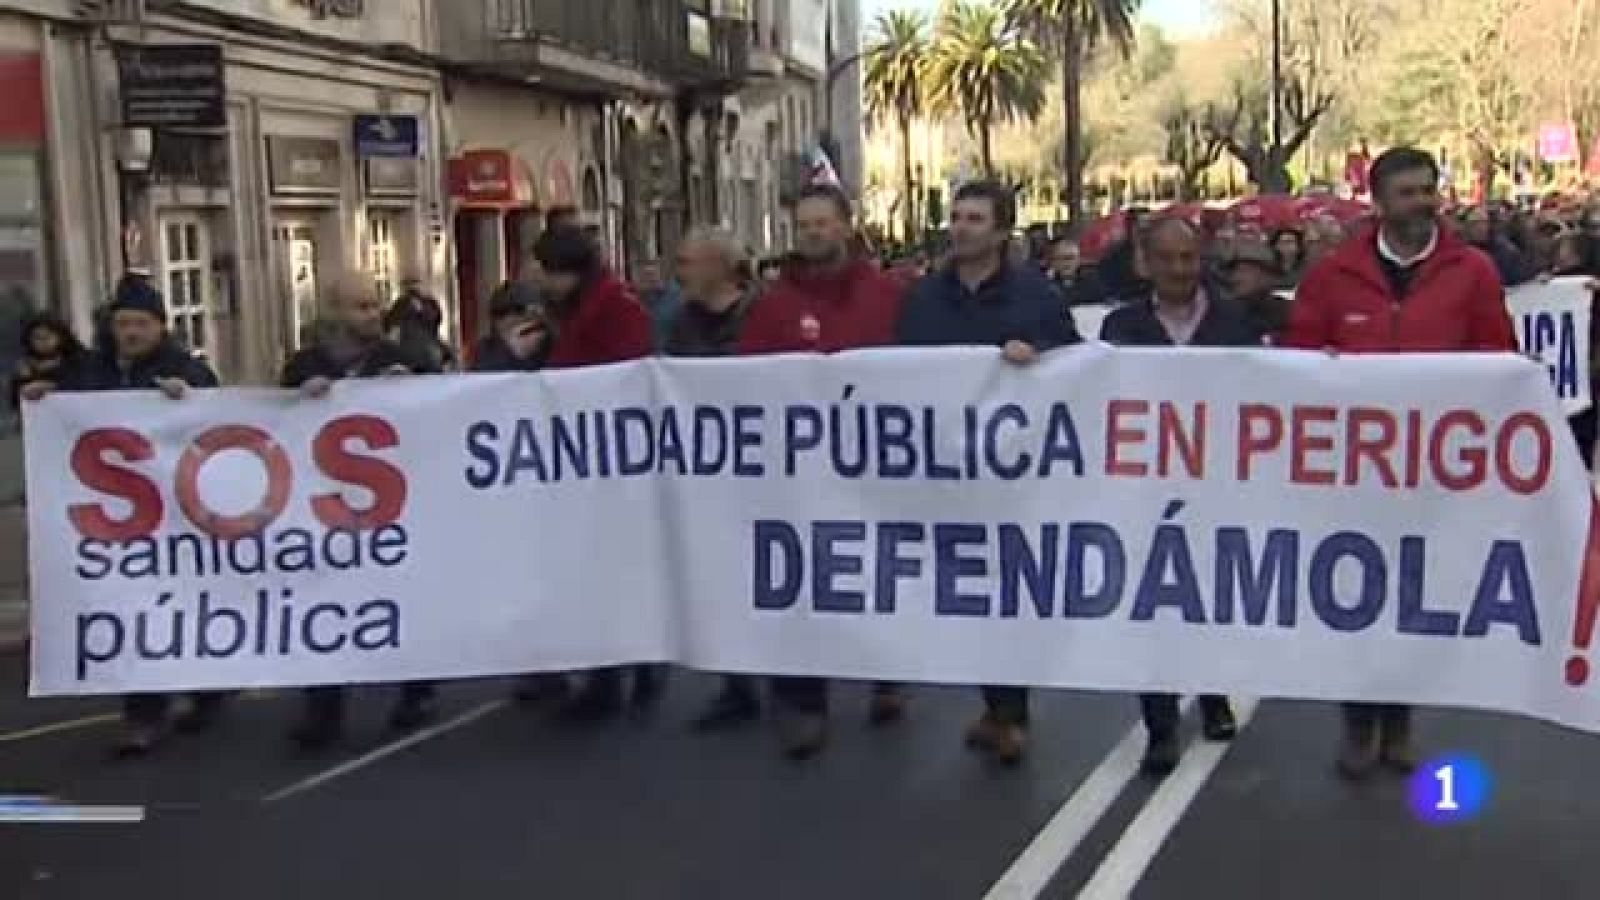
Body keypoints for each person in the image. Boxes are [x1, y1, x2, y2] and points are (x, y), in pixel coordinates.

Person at [1284, 146, 1517, 780]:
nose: (1423, 202)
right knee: (1357, 602)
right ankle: (1358, 722)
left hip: (1436, 474)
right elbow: (1298, 360)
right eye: (1409, 192)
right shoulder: (1333, 276)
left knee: (1417, 600)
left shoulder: (1473, 271)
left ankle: (1401, 721)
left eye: (1428, 190)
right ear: (1379, 202)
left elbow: (1498, 358)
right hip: (1354, 477)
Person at [897, 181, 1082, 765]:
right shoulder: (926, 297)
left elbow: (1076, 364)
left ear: (1002, 231)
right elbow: (898, 368)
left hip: (1015, 476)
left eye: (975, 218)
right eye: (955, 217)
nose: (961, 227)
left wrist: (1041, 354)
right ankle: (995, 705)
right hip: (947, 472)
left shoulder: (1036, 296)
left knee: (1008, 589)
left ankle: (1010, 711)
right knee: (967, 591)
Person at [737, 183, 909, 760]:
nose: (812, 233)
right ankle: (804, 704)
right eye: (803, 224)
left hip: (875, 467)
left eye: (822, 223)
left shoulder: (887, 295)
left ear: (844, 225)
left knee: (876, 571)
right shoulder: (772, 305)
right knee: (803, 583)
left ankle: (887, 669)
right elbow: (747, 381)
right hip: (801, 472)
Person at [25, 278, 227, 757]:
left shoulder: (186, 369)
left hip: (177, 517)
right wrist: (43, 396)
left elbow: (218, 411)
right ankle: (143, 715)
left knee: (180, 610)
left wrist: (190, 397)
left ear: (160, 326)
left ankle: (208, 690)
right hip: (121, 521)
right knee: (134, 611)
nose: (130, 332)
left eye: (140, 323)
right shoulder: (93, 369)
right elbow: (68, 403)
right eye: (122, 324)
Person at [1098, 216, 1247, 776]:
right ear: (1146, 264)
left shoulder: (1233, 322)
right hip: (1145, 490)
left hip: (1218, 485)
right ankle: (1160, 724)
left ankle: (1212, 694)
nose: (1179, 270)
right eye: (1167, 259)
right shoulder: (1122, 326)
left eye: (1188, 258)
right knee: (1151, 604)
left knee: (1210, 594)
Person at [281, 271, 440, 752]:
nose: (373, 314)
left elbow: (443, 409)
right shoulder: (302, 364)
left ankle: (417, 690)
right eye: (361, 306)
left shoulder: (402, 358)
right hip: (328, 506)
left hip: (391, 508)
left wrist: (411, 389)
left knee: (398, 599)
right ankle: (323, 709)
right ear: (332, 312)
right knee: (326, 604)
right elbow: (276, 419)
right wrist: (297, 399)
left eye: (375, 304)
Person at [535, 225, 661, 722]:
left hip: (610, 458)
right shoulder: (571, 311)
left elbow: (627, 373)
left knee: (606, 570)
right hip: (581, 457)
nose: (541, 282)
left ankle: (612, 677)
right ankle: (628, 667)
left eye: (548, 272)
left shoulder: (615, 308)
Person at [662, 229, 765, 731]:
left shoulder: (760, 315)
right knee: (722, 574)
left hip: (766, 465)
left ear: (719, 266)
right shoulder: (681, 321)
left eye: (687, 261)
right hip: (709, 467)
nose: (679, 271)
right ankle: (737, 681)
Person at [9, 312, 87, 411]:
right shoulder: (25, 366)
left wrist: (53, 386)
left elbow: (87, 386)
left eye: (49, 335)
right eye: (37, 337)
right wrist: (24, 380)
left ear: (61, 335)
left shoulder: (79, 358)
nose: (44, 341)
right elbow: (15, 403)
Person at [1222, 240, 1291, 344]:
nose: (1235, 278)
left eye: (1244, 271)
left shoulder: (1289, 313)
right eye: (1232, 272)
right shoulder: (1221, 313)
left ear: (1268, 276)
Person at [473, 281, 549, 374]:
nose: (509, 319)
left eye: (519, 311)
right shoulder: (485, 348)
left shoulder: (549, 345)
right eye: (500, 313)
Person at [383, 274, 451, 370]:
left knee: (434, 357)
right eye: (408, 284)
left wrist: (420, 309)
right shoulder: (400, 304)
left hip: (427, 341)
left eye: (414, 282)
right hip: (407, 342)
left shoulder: (429, 302)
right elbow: (391, 323)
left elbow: (435, 319)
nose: (412, 286)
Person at [633, 259, 682, 349]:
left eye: (651, 274)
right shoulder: (630, 299)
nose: (648, 277)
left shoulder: (677, 298)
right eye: (644, 275)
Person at [1045, 237, 1105, 307]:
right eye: (1058, 259)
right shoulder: (1047, 284)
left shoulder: (1093, 280)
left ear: (1078, 259)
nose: (1065, 263)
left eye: (1069, 258)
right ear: (1052, 262)